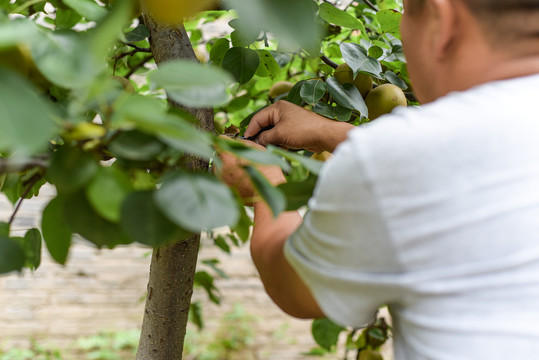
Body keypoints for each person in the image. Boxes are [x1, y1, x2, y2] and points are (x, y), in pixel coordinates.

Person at [219, 0, 539, 358]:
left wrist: (263, 181)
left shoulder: (394, 157)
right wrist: (330, 133)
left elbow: (292, 285)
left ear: (440, 18)